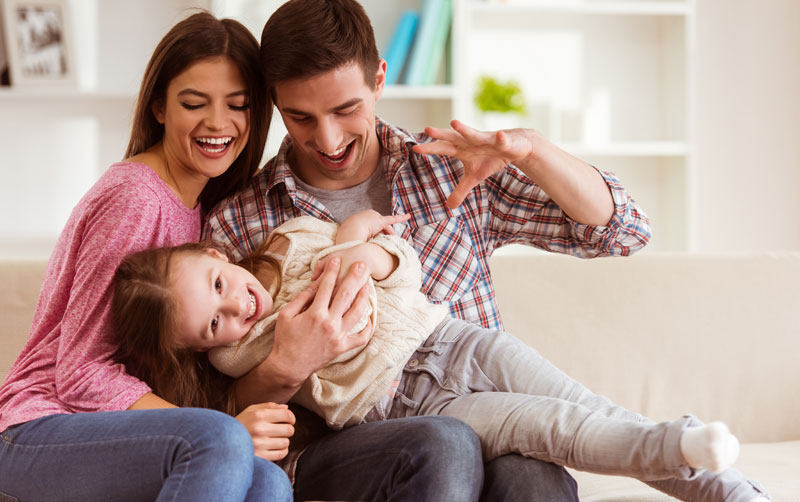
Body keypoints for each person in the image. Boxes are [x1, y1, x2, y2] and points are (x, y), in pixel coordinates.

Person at [199, 0, 646, 499]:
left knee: (532, 473)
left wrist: (532, 149)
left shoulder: (448, 171)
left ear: (379, 79)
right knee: (444, 442)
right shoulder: (240, 223)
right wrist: (288, 361)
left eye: (346, 110)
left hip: (487, 411)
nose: (326, 139)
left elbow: (622, 232)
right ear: (276, 104)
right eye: (300, 117)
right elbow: (213, 404)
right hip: (353, 448)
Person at [114, 210, 770, 502]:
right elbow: (253, 401)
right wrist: (297, 345)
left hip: (457, 340)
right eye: (213, 327)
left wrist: (357, 250)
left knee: (589, 410)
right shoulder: (239, 360)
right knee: (547, 428)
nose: (238, 314)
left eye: (223, 289)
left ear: (216, 255)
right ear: (201, 347)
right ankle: (677, 442)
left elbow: (398, 267)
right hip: (418, 403)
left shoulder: (292, 237)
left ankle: (733, 492)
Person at [0, 12, 295, 501]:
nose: (218, 123)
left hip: (105, 438)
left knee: (265, 478)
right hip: (36, 431)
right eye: (194, 103)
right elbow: (80, 374)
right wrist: (218, 424)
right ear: (160, 107)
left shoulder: (197, 209)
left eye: (238, 105)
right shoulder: (136, 199)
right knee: (222, 438)